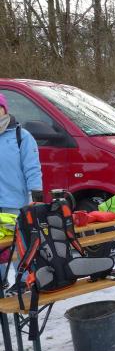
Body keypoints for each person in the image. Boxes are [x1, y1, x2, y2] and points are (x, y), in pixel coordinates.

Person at [0, 93, 43, 283]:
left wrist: (36, 196)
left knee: (22, 248)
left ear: (4, 110)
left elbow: (32, 168)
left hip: (15, 206)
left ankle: (26, 283)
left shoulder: (21, 136)